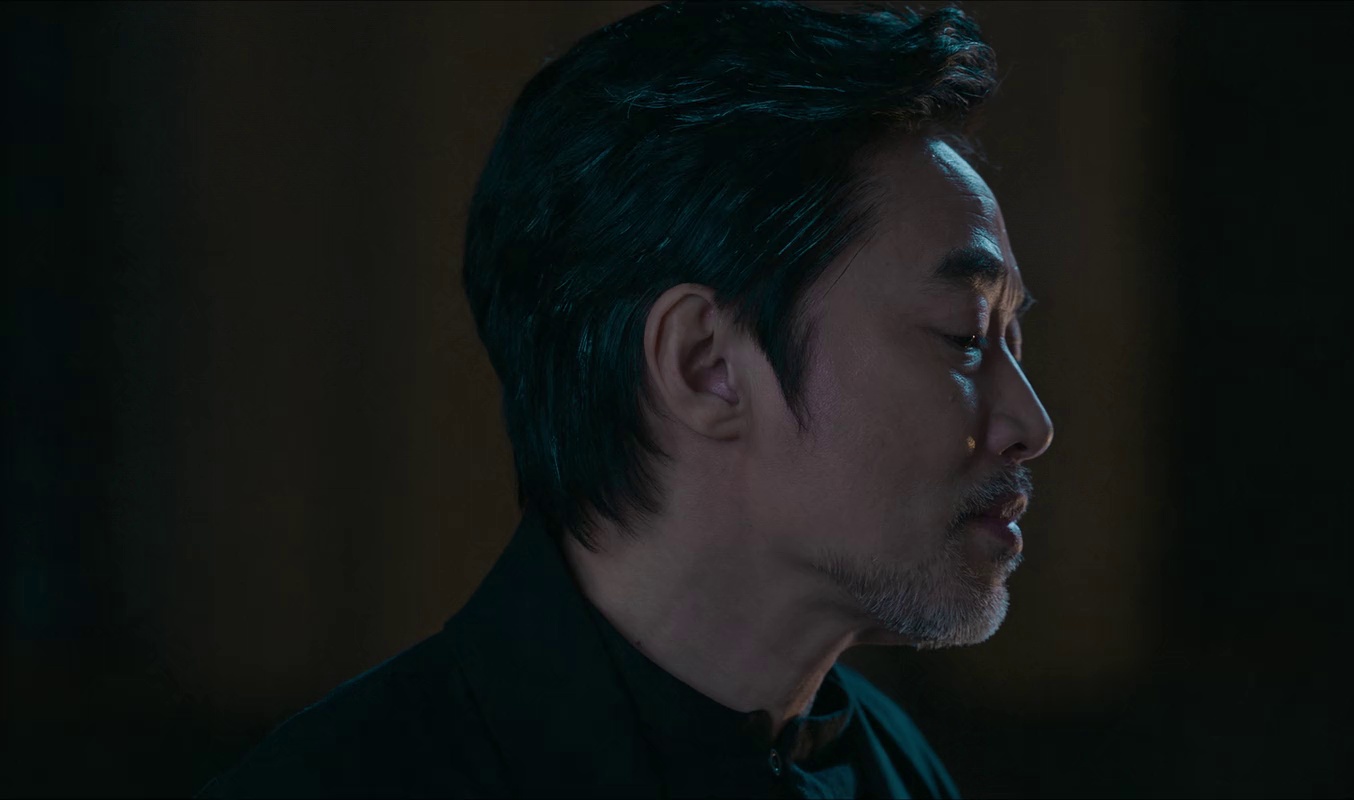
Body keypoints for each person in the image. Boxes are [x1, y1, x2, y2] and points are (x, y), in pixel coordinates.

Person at [198, 1, 1053, 797]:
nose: (1032, 425)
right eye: (964, 336)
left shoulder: (887, 764)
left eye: (1012, 341)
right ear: (705, 365)